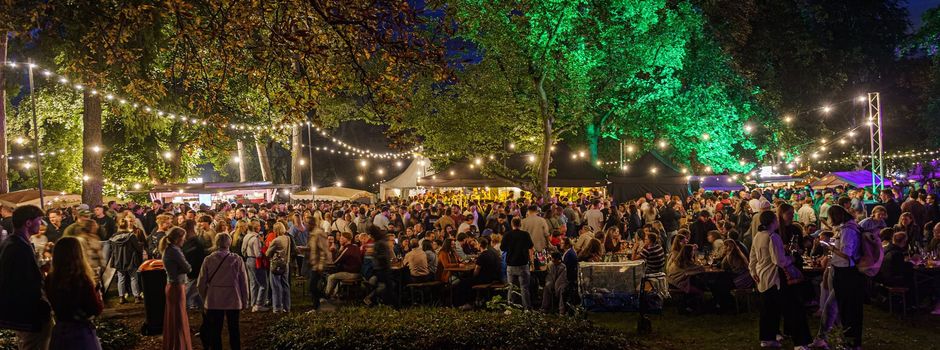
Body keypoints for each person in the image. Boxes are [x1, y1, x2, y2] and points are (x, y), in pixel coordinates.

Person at [748, 211, 811, 349]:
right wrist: (792, 258)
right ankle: (800, 342)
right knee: (793, 309)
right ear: (773, 221)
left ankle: (767, 338)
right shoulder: (773, 236)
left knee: (768, 309)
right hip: (776, 278)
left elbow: (752, 257)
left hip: (763, 277)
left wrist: (753, 272)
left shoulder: (758, 236)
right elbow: (779, 260)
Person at [0, 205, 53, 350]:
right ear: (28, 223)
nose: (41, 224)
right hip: (29, 312)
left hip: (26, 311)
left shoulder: (15, 242)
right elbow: (22, 281)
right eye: (39, 220)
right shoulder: (17, 246)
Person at [45, 237, 104, 350]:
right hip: (80, 333)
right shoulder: (82, 279)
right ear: (78, 254)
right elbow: (95, 309)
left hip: (60, 331)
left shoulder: (51, 279)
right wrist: (98, 294)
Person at [197, 233, 249, 350]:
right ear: (229, 243)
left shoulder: (208, 260)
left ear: (216, 243)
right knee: (234, 329)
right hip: (233, 298)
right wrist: (245, 300)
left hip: (214, 299)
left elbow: (201, 283)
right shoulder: (237, 259)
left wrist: (205, 297)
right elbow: (243, 282)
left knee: (215, 330)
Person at [827, 205, 865, 349]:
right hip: (846, 271)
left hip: (846, 273)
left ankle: (851, 341)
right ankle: (850, 339)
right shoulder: (850, 227)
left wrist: (831, 247)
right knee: (847, 307)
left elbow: (847, 253)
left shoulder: (848, 230)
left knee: (848, 308)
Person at [161, 227, 193, 350]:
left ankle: (174, 344)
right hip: (177, 286)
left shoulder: (168, 249)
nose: (184, 240)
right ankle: (179, 345)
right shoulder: (175, 251)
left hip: (171, 285)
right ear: (178, 238)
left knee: (173, 317)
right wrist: (183, 268)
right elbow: (188, 268)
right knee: (179, 318)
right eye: (183, 238)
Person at [110, 217, 145, 304]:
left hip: (119, 260)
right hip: (130, 260)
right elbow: (137, 247)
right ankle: (136, 297)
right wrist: (141, 245)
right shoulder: (131, 236)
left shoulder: (113, 237)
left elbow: (113, 250)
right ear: (126, 226)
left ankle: (121, 297)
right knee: (133, 278)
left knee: (121, 278)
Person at [501, 217, 534, 309]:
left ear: (512, 224)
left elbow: (502, 248)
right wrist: (531, 262)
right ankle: (527, 308)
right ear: (520, 224)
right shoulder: (525, 234)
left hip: (511, 264)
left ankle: (511, 307)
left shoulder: (507, 235)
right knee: (524, 288)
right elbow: (531, 247)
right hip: (523, 264)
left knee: (511, 287)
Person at [241, 221, 268, 312]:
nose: (260, 227)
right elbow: (258, 254)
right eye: (259, 226)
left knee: (253, 283)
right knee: (263, 284)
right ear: (255, 228)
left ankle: (253, 303)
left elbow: (242, 250)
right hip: (255, 261)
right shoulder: (256, 238)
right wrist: (263, 246)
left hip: (248, 260)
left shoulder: (246, 236)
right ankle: (259, 304)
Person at [324, 231, 361, 299]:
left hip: (351, 273)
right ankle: (334, 294)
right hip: (358, 272)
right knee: (337, 275)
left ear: (346, 239)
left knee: (331, 277)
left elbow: (335, 261)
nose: (340, 240)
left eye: (341, 238)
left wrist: (333, 251)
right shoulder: (355, 246)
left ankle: (326, 296)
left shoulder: (347, 249)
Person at [265, 222, 292, 313]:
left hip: (276, 264)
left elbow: (267, 253)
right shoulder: (287, 238)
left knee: (276, 286)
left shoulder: (276, 240)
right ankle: (287, 307)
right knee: (285, 285)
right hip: (285, 263)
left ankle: (277, 308)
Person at [306, 216, 331, 310]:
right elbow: (313, 248)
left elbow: (323, 250)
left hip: (318, 265)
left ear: (312, 224)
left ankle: (326, 297)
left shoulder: (318, 233)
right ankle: (316, 306)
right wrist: (304, 249)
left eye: (307, 223)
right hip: (314, 263)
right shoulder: (312, 234)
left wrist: (320, 265)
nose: (305, 225)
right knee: (313, 286)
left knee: (312, 287)